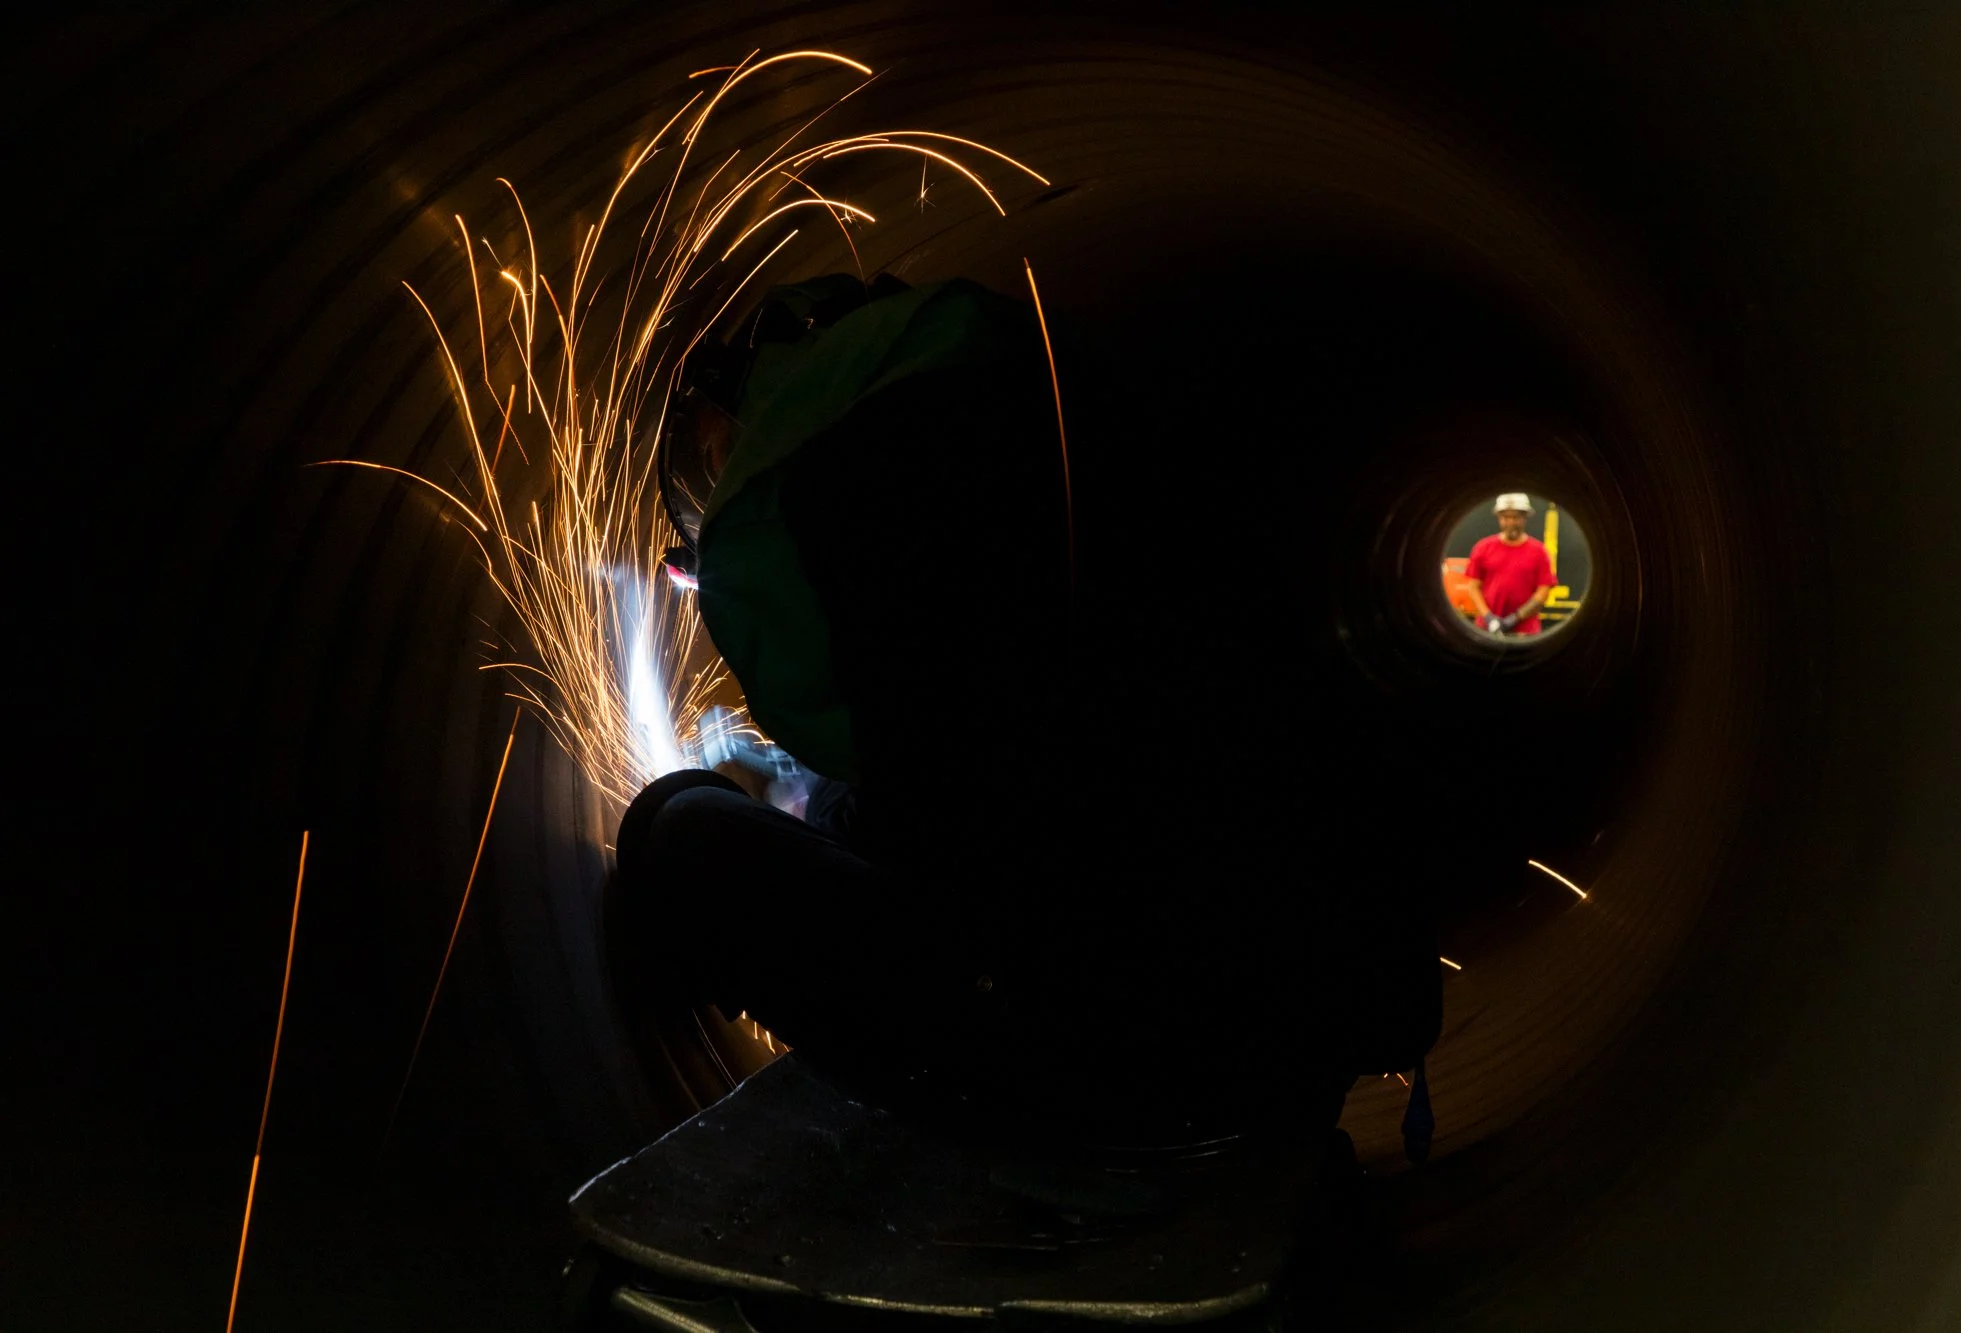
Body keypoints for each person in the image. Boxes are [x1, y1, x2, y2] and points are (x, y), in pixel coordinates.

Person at [606, 271, 1442, 1153]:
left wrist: (812, 812)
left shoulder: (867, 485)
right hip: (1318, 1007)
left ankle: (1085, 1141)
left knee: (682, 827)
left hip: (1159, 1059)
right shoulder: (1057, 402)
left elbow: (964, 829)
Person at [1464, 492, 1557, 636]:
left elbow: (1543, 591)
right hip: (1486, 629)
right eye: (1505, 517)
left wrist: (1515, 618)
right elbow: (1473, 587)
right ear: (1499, 518)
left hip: (1525, 631)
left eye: (1516, 517)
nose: (1511, 522)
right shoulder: (1482, 548)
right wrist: (1488, 618)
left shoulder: (1539, 551)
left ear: (1525, 518)